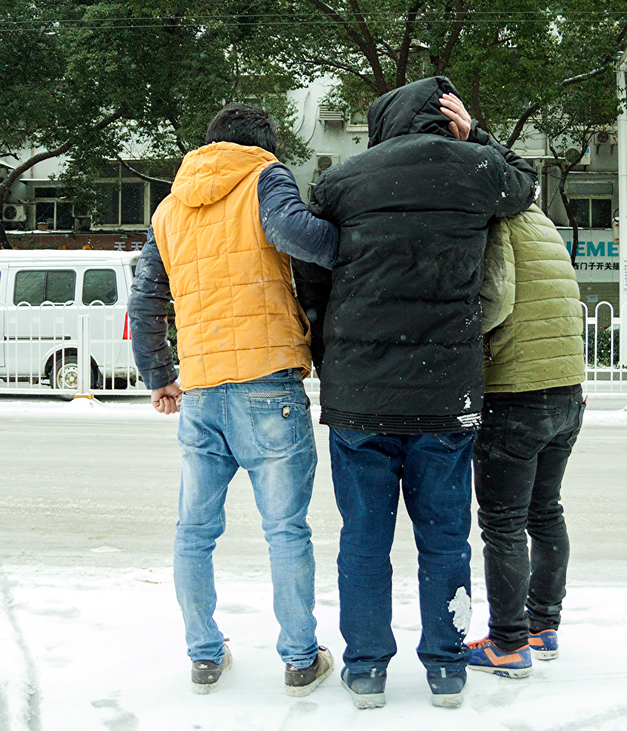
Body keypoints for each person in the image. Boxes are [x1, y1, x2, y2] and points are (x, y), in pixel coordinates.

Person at [293, 76, 539, 709]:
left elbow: (311, 274)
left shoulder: (342, 181)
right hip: (445, 397)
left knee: (363, 539)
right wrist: (479, 135)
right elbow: (525, 185)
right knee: (446, 540)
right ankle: (447, 669)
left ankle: (367, 669)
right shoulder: (477, 169)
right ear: (445, 118)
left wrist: (329, 356)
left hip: (360, 397)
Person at [127, 103, 338, 696]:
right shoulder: (264, 176)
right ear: (262, 144)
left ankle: (204, 655)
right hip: (268, 383)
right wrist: (353, 243)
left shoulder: (170, 207)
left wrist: (159, 374)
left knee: (194, 532)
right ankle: (300, 659)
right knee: (286, 531)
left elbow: (145, 298)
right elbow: (298, 236)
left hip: (200, 389)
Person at [466, 203, 586, 678]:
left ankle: (508, 643)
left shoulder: (498, 222)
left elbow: (494, 299)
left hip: (516, 392)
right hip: (567, 390)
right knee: (545, 511)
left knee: (503, 524)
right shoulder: (541, 221)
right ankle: (543, 627)